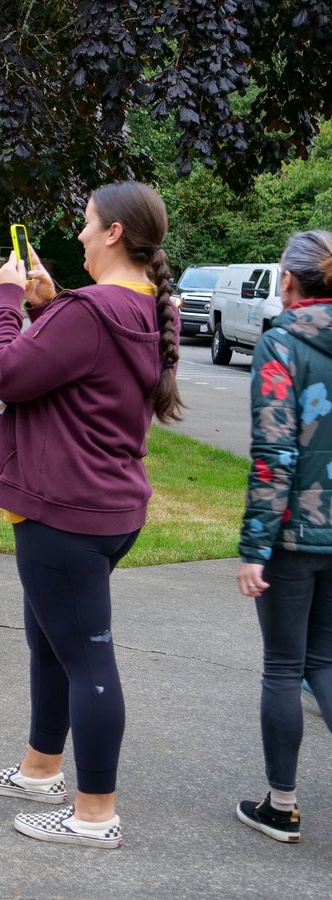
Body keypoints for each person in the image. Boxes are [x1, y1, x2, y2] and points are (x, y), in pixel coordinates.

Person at [0, 181, 182, 849]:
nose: (81, 236)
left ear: (114, 233)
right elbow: (81, 365)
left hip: (69, 514)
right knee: (52, 645)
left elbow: (5, 374)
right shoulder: (138, 306)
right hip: (103, 506)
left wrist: (5, 301)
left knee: (87, 659)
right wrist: (50, 306)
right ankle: (39, 772)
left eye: (88, 225)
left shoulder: (92, 311)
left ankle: (94, 814)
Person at [235, 230, 332, 844]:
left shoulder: (280, 344)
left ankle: (282, 805)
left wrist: (254, 547)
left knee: (283, 667)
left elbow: (274, 453)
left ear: (288, 281)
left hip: (296, 538)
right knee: (324, 663)